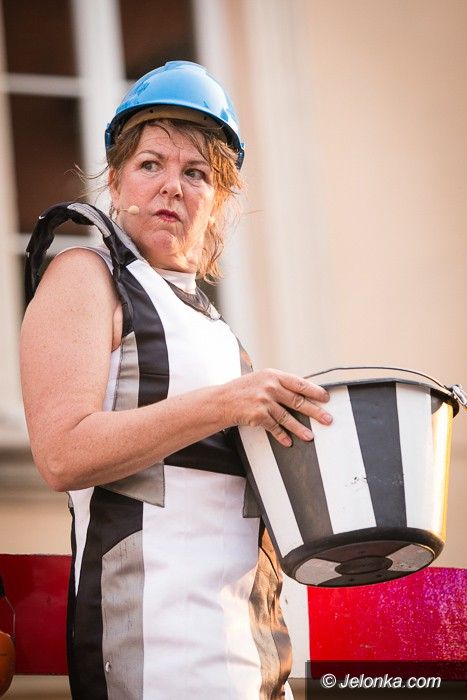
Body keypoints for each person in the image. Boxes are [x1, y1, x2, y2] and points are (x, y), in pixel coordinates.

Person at [20, 61, 332, 700]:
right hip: (154, 667)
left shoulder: (217, 333)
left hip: (251, 668)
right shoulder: (86, 275)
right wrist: (228, 402)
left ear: (218, 203)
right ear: (115, 182)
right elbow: (60, 453)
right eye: (150, 164)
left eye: (196, 173)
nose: (172, 186)